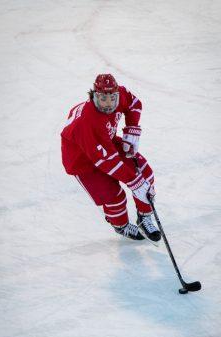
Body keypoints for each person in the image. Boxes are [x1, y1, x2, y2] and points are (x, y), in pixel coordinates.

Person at [61, 74, 161, 242]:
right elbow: (107, 161)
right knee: (114, 196)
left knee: (146, 174)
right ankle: (120, 225)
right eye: (102, 98)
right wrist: (134, 182)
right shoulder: (87, 123)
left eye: (112, 98)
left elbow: (134, 104)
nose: (108, 104)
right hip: (82, 161)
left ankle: (144, 217)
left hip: (107, 142)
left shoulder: (119, 95)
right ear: (94, 95)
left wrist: (131, 129)